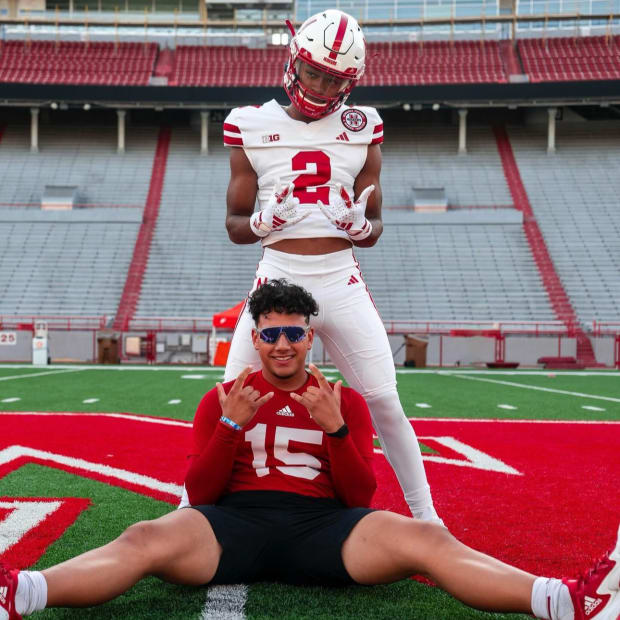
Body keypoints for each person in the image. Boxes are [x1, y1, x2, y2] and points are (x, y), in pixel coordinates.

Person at [2, 279, 619, 620]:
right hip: (232, 525)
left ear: (309, 338)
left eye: (293, 333)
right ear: (256, 336)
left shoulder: (340, 400)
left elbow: (358, 496)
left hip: (323, 528)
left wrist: (340, 431)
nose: (281, 344)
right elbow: (200, 495)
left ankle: (559, 599)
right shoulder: (224, 397)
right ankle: (23, 594)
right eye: (269, 333)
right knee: (140, 536)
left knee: (427, 540)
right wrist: (231, 428)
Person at [222, 8, 441, 523]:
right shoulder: (248, 122)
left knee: (385, 401)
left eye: (334, 78)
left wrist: (361, 228)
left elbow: (376, 226)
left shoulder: (365, 126)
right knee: (230, 400)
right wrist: (263, 221)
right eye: (315, 71)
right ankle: (193, 506)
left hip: (340, 277)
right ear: (294, 62)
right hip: (276, 277)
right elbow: (234, 225)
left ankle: (428, 518)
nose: (320, 86)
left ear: (351, 83)